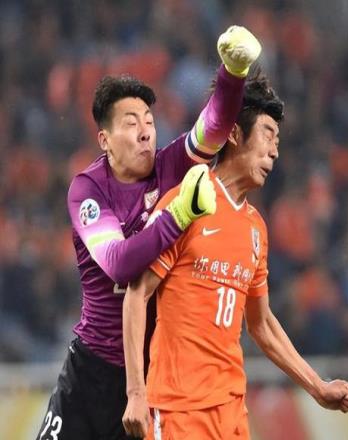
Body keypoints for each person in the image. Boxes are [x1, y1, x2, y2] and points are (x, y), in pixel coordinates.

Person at [36, 26, 262, 440]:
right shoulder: (88, 189)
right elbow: (118, 263)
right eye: (131, 123)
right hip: (92, 371)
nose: (145, 131)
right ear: (105, 140)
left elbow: (213, 128)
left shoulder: (169, 165)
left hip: (148, 378)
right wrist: (178, 214)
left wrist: (232, 73)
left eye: (150, 121)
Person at [121, 69, 348, 439]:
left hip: (231, 412)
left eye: (278, 140)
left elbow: (261, 324)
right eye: (268, 134)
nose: (275, 151)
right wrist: (136, 393)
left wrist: (317, 386)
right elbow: (137, 294)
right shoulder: (186, 202)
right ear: (233, 133)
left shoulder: (255, 228)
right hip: (179, 409)